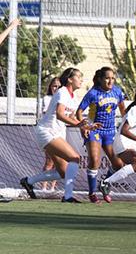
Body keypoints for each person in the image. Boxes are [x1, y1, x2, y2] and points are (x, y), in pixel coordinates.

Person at [20, 67, 101, 203]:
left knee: (63, 172)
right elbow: (60, 114)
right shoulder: (62, 91)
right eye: (78, 77)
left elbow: (72, 119)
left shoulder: (73, 97)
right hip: (47, 132)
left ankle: (29, 181)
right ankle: (68, 196)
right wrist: (80, 125)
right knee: (74, 158)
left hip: (57, 133)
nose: (81, 80)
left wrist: (86, 125)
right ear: (70, 79)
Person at [76, 67, 126, 204]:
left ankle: (105, 183)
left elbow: (123, 109)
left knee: (118, 163)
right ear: (100, 79)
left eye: (112, 78)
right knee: (95, 160)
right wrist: (84, 125)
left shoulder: (117, 91)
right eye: (107, 78)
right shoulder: (93, 93)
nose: (110, 81)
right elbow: (79, 111)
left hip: (110, 131)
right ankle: (92, 193)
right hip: (95, 130)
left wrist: (128, 124)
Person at [41, 77, 61, 192]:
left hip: (60, 133)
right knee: (49, 161)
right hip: (49, 133)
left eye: (59, 86)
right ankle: (43, 187)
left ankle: (52, 188)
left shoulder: (64, 99)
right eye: (54, 86)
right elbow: (47, 114)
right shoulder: (47, 99)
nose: (56, 88)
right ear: (50, 87)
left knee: (58, 163)